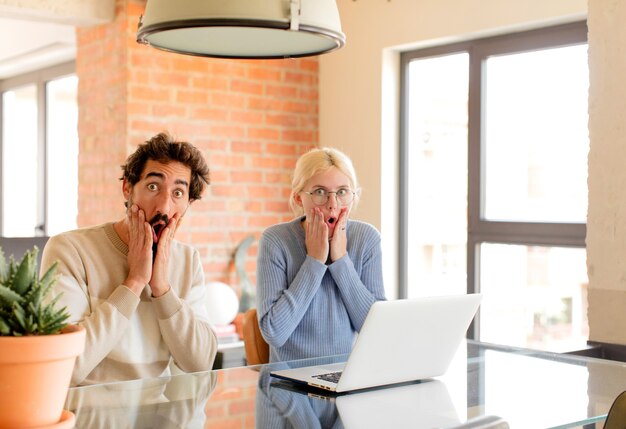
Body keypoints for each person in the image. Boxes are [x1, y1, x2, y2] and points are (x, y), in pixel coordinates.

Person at [41, 132, 217, 386]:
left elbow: (201, 365)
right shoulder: (70, 250)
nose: (164, 208)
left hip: (158, 415)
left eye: (178, 193)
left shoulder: (188, 260)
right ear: (127, 188)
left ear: (188, 203)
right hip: (88, 417)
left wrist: (161, 288)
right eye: (153, 186)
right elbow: (66, 369)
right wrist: (134, 282)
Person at [256, 147, 386, 363]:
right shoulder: (275, 240)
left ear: (353, 196)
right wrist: (314, 261)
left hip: (347, 379)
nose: (333, 204)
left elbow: (376, 331)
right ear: (299, 198)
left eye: (342, 192)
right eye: (319, 192)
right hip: (289, 383)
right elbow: (274, 332)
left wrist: (341, 260)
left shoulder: (367, 239)